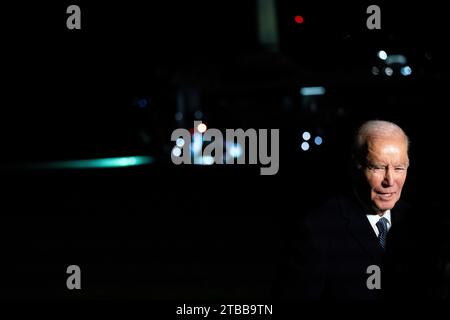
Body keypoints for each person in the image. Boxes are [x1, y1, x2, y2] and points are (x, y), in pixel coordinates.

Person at [278, 120, 412, 301]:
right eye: (378, 167)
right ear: (355, 166)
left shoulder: (417, 221)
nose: (390, 181)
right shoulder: (317, 231)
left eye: (399, 168)